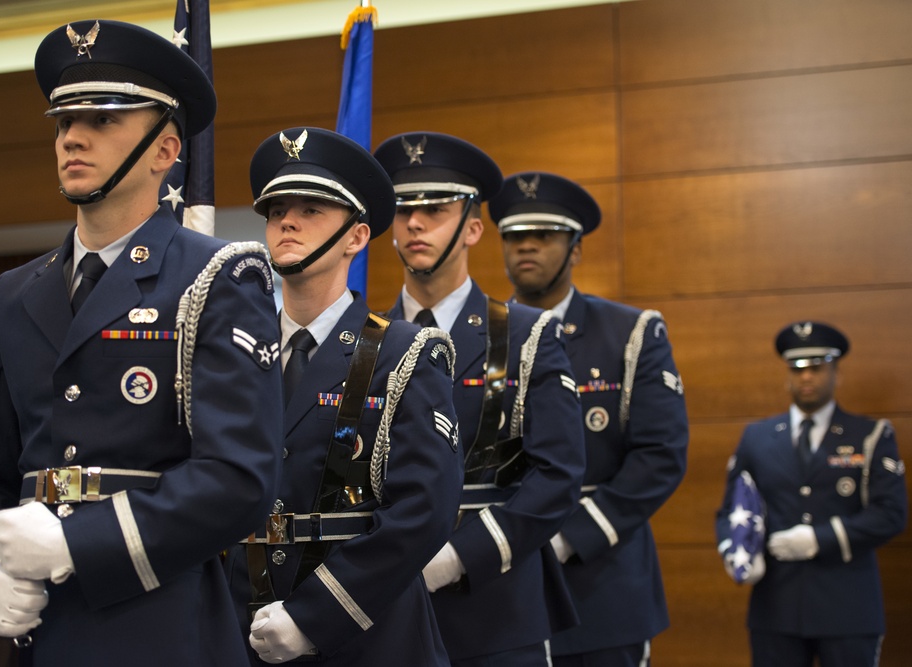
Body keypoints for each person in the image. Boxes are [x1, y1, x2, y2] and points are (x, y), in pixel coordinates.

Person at [0, 20, 284, 665]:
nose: (72, 136)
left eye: (103, 118)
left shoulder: (218, 277)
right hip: (27, 625)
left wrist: (81, 542)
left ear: (165, 151)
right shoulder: (14, 292)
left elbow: (239, 478)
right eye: (64, 120)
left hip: (154, 623)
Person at [223, 127, 463, 665]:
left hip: (364, 633)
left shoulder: (404, 352)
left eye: (311, 209)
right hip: (239, 624)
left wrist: (316, 615)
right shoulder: (232, 348)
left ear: (356, 238)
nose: (287, 220)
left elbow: (425, 510)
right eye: (277, 208)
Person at [374, 132, 586, 666]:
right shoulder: (366, 340)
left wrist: (460, 557)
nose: (415, 224)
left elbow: (558, 474)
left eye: (435, 210)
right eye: (402, 211)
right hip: (383, 604)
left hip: (495, 605)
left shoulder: (526, 335)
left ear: (472, 228)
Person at [490, 171, 689, 666]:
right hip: (496, 584)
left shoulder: (631, 333)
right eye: (514, 236)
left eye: (545, 235)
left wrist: (570, 537)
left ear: (576, 248)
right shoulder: (481, 336)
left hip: (601, 581)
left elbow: (659, 458)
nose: (527, 247)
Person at [716, 321, 908, 667]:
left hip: (848, 608)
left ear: (837, 373)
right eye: (797, 369)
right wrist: (735, 552)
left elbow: (891, 513)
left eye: (817, 368)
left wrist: (819, 539)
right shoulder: (757, 438)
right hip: (776, 609)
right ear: (787, 375)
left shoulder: (870, 436)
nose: (806, 378)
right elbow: (730, 510)